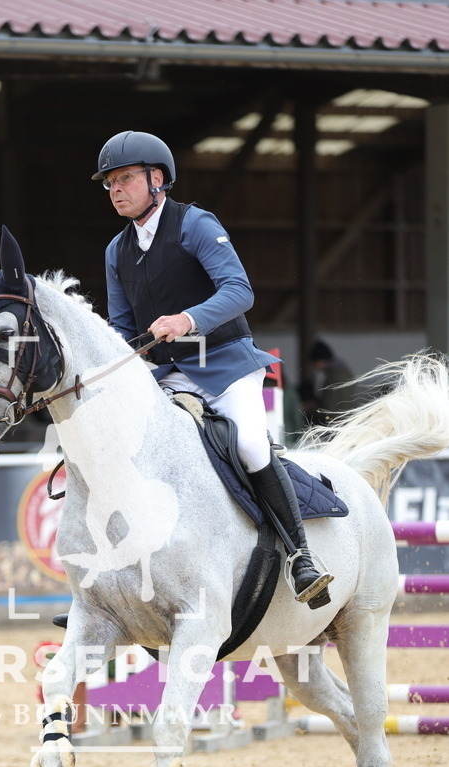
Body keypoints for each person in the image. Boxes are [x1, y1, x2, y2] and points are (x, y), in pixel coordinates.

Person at [92, 130, 333, 608]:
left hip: (223, 363)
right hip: (167, 375)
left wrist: (187, 319)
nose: (115, 189)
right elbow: (122, 326)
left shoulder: (195, 224)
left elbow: (240, 290)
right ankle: (112, 584)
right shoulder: (115, 252)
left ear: (156, 179)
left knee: (247, 442)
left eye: (124, 179)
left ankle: (301, 557)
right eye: (109, 183)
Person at [301, 338, 359, 426]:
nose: (313, 366)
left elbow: (329, 410)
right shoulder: (345, 372)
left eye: (313, 363)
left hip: (338, 424)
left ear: (319, 361)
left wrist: (308, 409)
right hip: (350, 420)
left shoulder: (333, 377)